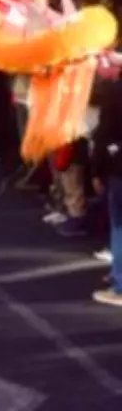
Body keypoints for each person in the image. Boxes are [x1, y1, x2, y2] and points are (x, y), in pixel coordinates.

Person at [90, 59, 122, 307]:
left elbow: (104, 135)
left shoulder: (114, 92)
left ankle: (120, 285)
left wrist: (97, 172)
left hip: (118, 169)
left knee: (119, 227)